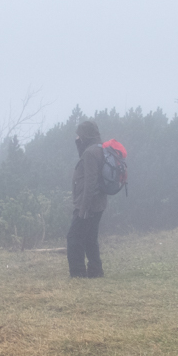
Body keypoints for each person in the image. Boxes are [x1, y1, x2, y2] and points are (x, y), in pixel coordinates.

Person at [68, 119, 107, 278]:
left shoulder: (90, 153)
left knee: (73, 238)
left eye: (80, 135)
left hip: (88, 205)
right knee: (90, 238)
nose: (78, 137)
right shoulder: (99, 148)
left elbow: (90, 181)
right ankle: (95, 271)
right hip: (98, 203)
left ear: (86, 135)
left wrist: (83, 209)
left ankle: (77, 274)